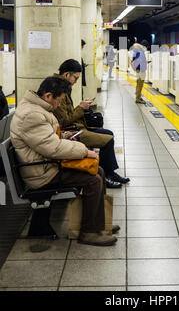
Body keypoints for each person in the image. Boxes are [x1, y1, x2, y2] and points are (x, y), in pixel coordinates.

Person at [10, 76, 117, 247]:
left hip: (46, 164)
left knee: (99, 171)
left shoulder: (36, 108)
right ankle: (88, 232)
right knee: (93, 179)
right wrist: (84, 151)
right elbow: (52, 148)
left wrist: (66, 136)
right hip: (41, 173)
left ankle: (99, 222)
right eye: (58, 100)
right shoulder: (32, 115)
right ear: (48, 96)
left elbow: (47, 140)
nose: (59, 105)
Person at [53, 59, 130, 187]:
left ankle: (110, 172)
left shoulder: (63, 87)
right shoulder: (57, 90)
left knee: (108, 133)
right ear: (67, 75)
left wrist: (80, 108)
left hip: (77, 127)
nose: (77, 81)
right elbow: (64, 120)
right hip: (71, 132)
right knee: (107, 140)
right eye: (76, 78)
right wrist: (81, 108)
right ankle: (106, 176)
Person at [130, 39, 149, 104]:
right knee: (140, 84)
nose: (146, 48)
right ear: (144, 46)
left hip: (138, 69)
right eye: (146, 47)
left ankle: (138, 96)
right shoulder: (141, 51)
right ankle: (138, 98)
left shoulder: (137, 50)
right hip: (141, 69)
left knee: (138, 83)